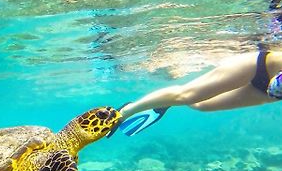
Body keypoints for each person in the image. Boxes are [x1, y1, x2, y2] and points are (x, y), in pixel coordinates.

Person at [116, 50, 282, 136]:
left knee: (201, 105)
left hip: (269, 92)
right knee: (186, 95)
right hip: (259, 66)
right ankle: (125, 111)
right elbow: (276, 84)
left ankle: (164, 102)